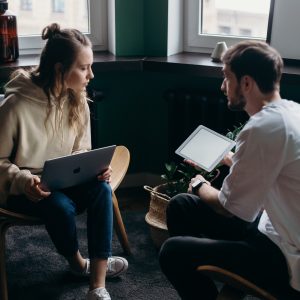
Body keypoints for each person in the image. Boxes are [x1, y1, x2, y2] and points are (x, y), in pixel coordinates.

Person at [159, 40, 300, 300]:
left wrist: (200, 185)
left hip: (284, 258)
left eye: (226, 78)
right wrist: (232, 160)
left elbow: (227, 207)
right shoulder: (291, 112)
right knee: (181, 205)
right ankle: (219, 272)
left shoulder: (261, 128)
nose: (222, 87)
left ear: (246, 83)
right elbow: (273, 169)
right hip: (273, 228)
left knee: (172, 251)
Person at [0, 23, 128, 300]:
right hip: (24, 189)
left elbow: (81, 149)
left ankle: (97, 285)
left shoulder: (78, 99)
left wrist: (95, 169)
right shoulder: (15, 105)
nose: (91, 75)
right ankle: (77, 265)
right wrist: (24, 181)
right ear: (60, 70)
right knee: (59, 205)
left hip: (65, 179)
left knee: (101, 190)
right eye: (84, 68)